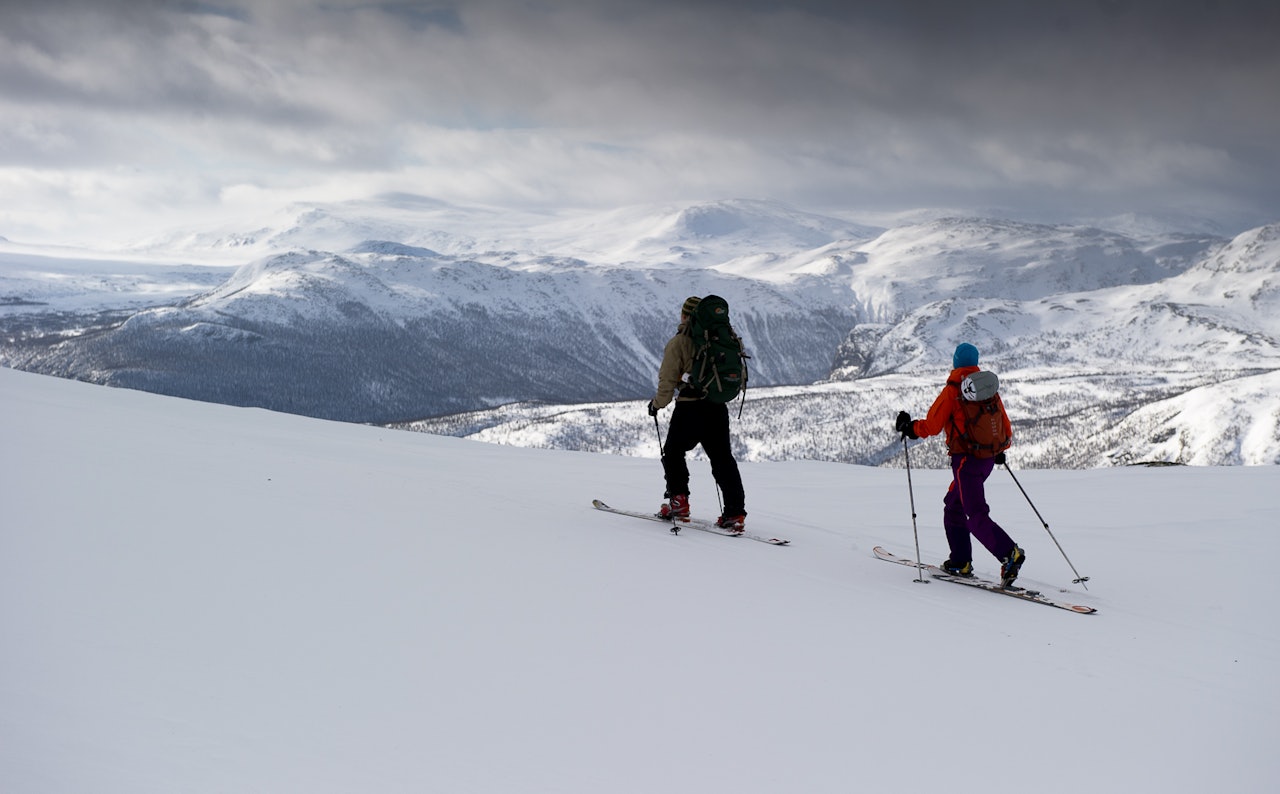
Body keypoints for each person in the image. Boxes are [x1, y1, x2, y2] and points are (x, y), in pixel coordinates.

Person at [895, 342, 1026, 586]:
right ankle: (960, 561)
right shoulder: (988, 388)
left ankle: (1010, 554)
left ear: (955, 362)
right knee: (953, 506)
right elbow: (1004, 427)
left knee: (975, 514)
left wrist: (910, 427)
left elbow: (932, 426)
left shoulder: (953, 390)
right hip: (986, 460)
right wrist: (996, 450)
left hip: (966, 462)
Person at [647, 296, 747, 531]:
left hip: (689, 408)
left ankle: (679, 503)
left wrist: (657, 405)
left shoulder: (679, 343)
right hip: (717, 408)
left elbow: (667, 380)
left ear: (685, 316)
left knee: (673, 452)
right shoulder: (724, 340)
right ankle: (735, 513)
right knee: (722, 460)